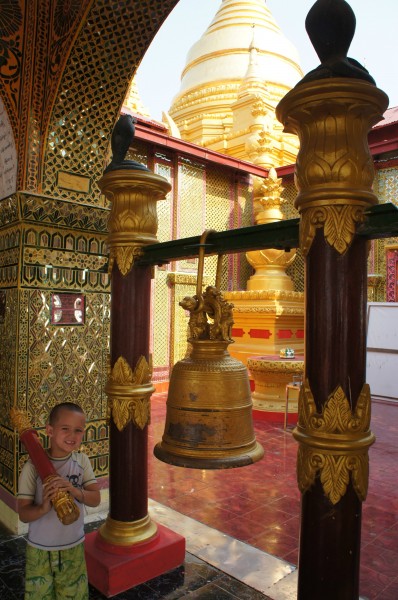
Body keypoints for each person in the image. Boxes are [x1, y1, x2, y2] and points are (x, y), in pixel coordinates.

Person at [18, 402, 101, 599]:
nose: (72, 436)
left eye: (78, 430)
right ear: (49, 430)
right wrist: (44, 507)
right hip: (39, 550)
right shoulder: (32, 467)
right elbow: (23, 514)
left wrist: (73, 490)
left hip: (73, 547)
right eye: (65, 429)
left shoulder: (82, 462)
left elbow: (95, 499)